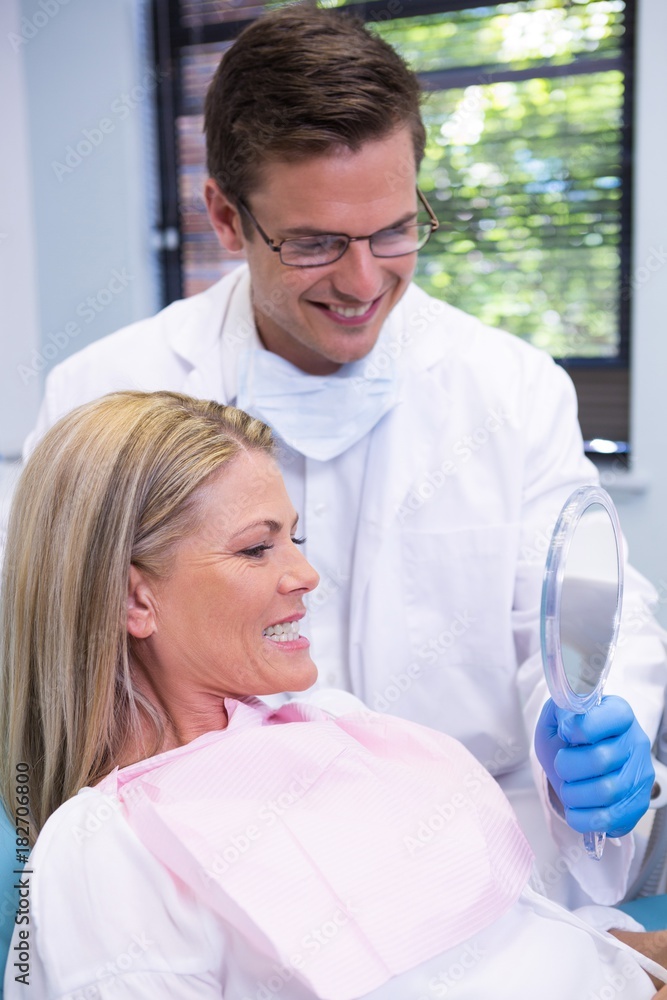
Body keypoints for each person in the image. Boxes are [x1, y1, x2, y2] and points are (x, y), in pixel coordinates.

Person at [10, 6, 665, 908]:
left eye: (394, 231)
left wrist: (597, 724)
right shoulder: (107, 393)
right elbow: (51, 661)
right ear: (225, 218)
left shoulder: (507, 390)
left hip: (480, 868)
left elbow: (584, 606)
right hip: (211, 883)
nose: (363, 283)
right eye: (315, 243)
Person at [1, 389, 667, 1000]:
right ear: (132, 597)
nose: (305, 573)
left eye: (296, 538)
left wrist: (620, 955)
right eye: (257, 549)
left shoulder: (325, 722)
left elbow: (509, 932)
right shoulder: (106, 855)